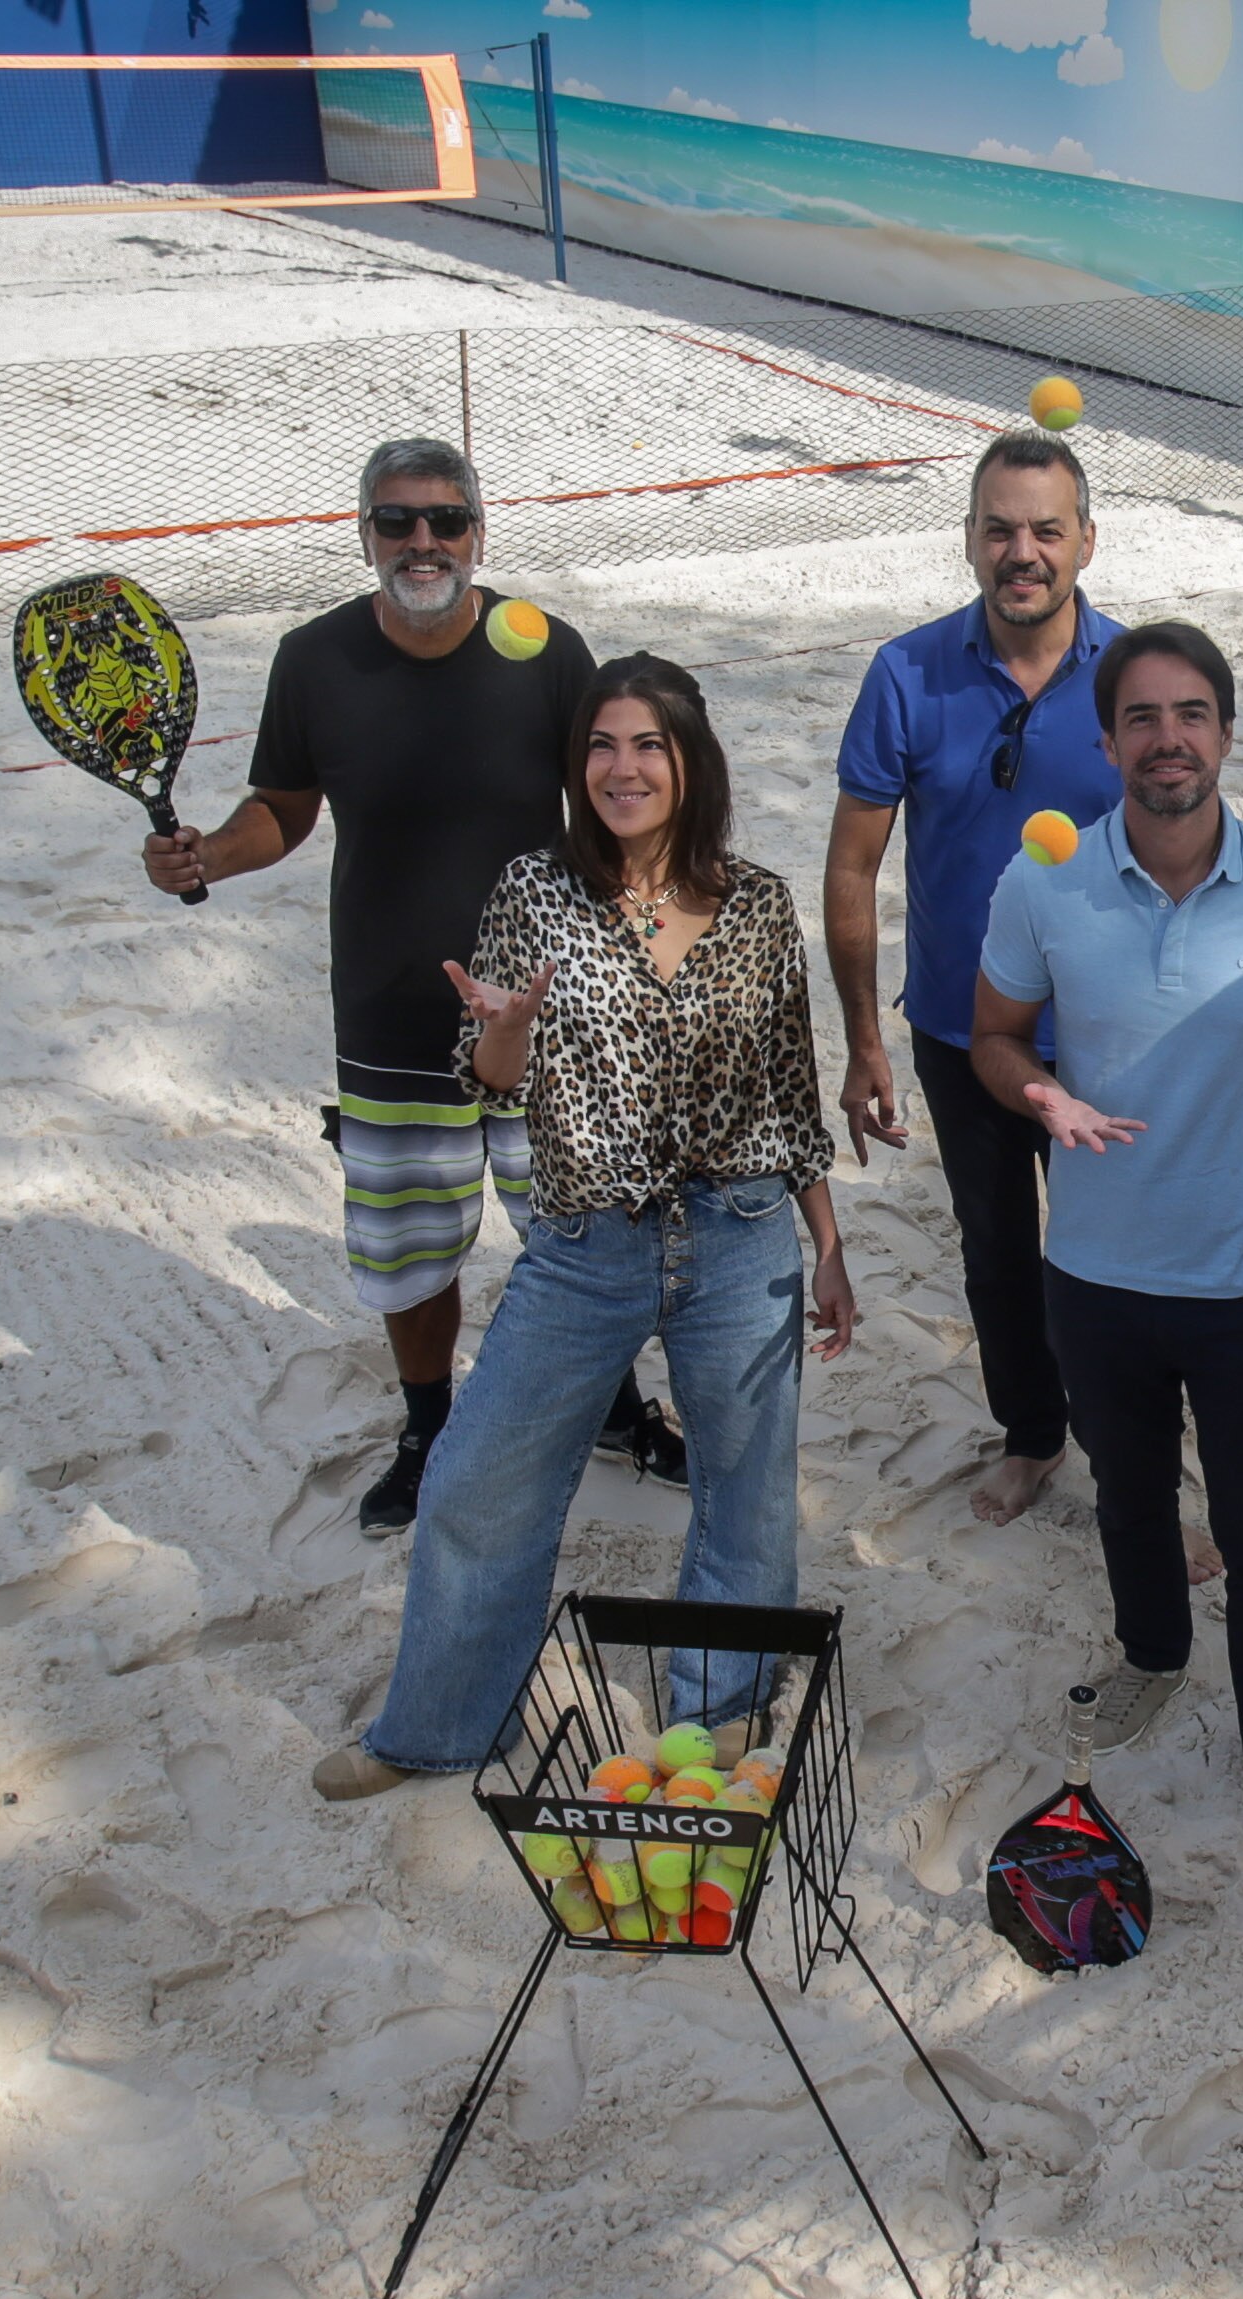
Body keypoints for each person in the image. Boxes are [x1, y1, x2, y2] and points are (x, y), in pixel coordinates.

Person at [326, 656, 855, 1800]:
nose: (622, 768)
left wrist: (829, 1246)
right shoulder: (533, 890)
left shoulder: (757, 904)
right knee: (477, 1479)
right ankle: (434, 1729)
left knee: (745, 1495)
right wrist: (507, 1029)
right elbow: (489, 1078)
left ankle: (712, 1729)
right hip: (583, 1246)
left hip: (742, 1231)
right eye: (602, 747)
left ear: (689, 761)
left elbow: (786, 1093)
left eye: (647, 746)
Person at [145, 437, 679, 1536]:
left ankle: (619, 1411)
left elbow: (616, 802)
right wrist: (213, 856)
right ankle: (429, 1427)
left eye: (443, 519)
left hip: (546, 1011)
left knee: (577, 1230)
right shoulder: (315, 658)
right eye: (397, 521)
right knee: (409, 1252)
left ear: (478, 531)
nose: (421, 541)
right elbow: (284, 808)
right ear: (365, 532)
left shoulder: (545, 652)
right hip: (389, 1012)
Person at [969, 622, 1243, 1864]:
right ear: (1106, 742)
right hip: (1093, 1278)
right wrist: (1035, 1092)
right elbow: (993, 1033)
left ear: (1225, 731)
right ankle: (1152, 1656)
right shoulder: (1041, 881)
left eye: (1192, 714)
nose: (1168, 739)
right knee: (1127, 1495)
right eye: (1143, 718)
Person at [828, 433, 1123, 1530]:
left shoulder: (1135, 676)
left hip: (1104, 1033)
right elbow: (852, 864)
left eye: (1046, 529)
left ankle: (1126, 1448)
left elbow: (1183, 857)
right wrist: (864, 1040)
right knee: (998, 1254)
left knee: (1115, 1258)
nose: (1022, 552)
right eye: (999, 529)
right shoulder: (906, 672)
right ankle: (1034, 1436)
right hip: (959, 1032)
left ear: (1085, 541)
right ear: (967, 541)